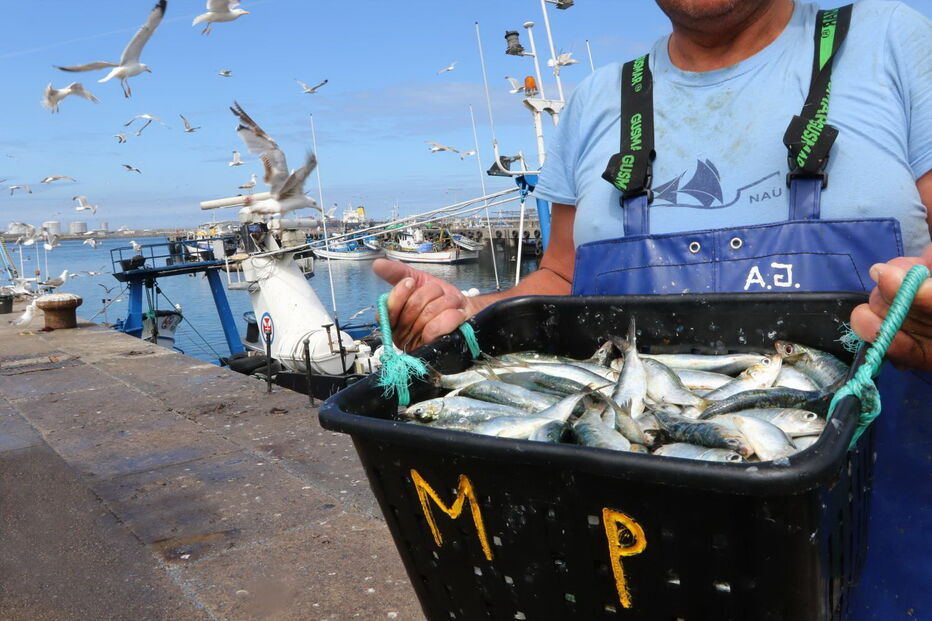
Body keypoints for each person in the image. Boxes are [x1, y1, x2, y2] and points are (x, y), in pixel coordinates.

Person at [374, 0, 930, 617]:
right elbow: (562, 275)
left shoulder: (890, 38)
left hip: (868, 536)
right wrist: (469, 315)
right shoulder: (596, 100)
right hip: (632, 550)